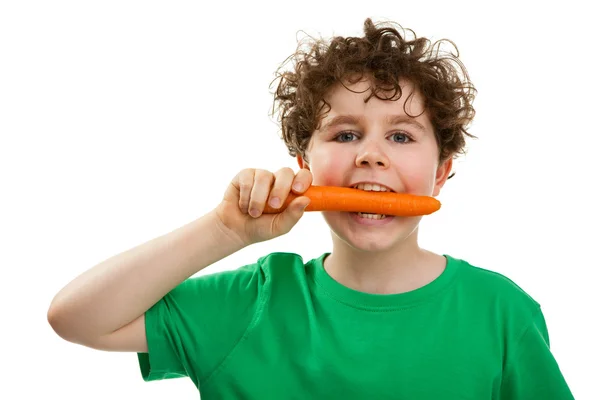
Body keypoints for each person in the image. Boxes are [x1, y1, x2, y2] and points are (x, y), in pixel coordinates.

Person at [47, 18, 574, 399]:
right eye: (345, 134)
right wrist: (225, 231)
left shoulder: (501, 312)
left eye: (401, 135)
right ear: (304, 163)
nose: (371, 154)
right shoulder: (251, 303)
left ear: (442, 170)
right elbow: (76, 318)